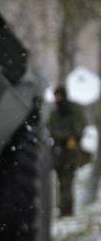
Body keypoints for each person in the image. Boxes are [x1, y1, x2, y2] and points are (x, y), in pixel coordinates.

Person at [47, 85, 89, 216]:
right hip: (58, 151)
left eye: (59, 96)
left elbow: (80, 127)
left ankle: (67, 210)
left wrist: (69, 137)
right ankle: (63, 208)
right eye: (55, 96)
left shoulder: (75, 110)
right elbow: (50, 129)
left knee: (67, 181)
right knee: (61, 182)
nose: (57, 99)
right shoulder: (55, 113)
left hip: (71, 151)